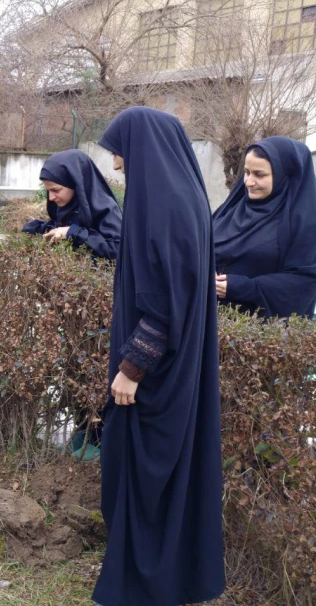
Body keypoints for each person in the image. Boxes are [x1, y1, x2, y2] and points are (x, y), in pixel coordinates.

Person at [93, 107, 225, 606]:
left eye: (121, 153)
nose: (119, 166)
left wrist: (131, 369)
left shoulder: (165, 207)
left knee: (147, 469)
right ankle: (160, 577)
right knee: (158, 475)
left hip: (156, 374)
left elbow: (165, 304)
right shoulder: (181, 198)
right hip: (171, 371)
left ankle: (143, 582)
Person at [212, 136, 316, 319]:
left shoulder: (303, 224)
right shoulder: (231, 211)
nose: (249, 182)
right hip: (207, 323)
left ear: (286, 175)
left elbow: (304, 283)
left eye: (259, 175)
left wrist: (245, 288)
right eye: (246, 172)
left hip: (256, 338)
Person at [22, 149, 122, 260]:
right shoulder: (67, 202)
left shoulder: (106, 208)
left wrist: (75, 233)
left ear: (75, 183)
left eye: (56, 190)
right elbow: (62, 228)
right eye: (48, 191)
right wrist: (39, 228)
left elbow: (117, 249)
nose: (51, 198)